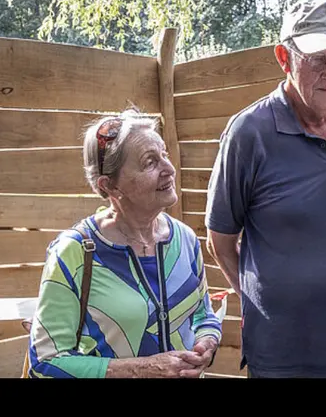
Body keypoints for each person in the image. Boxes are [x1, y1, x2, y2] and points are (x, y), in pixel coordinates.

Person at [205, 0, 326, 378]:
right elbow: (220, 238)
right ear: (284, 57)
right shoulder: (249, 133)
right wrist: (268, 301)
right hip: (285, 359)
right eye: (318, 59)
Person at [25, 109, 222, 378]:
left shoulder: (185, 238)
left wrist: (208, 342)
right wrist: (141, 369)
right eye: (150, 162)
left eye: (164, 154)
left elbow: (203, 314)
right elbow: (46, 361)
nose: (169, 169)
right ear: (110, 186)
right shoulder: (74, 252)